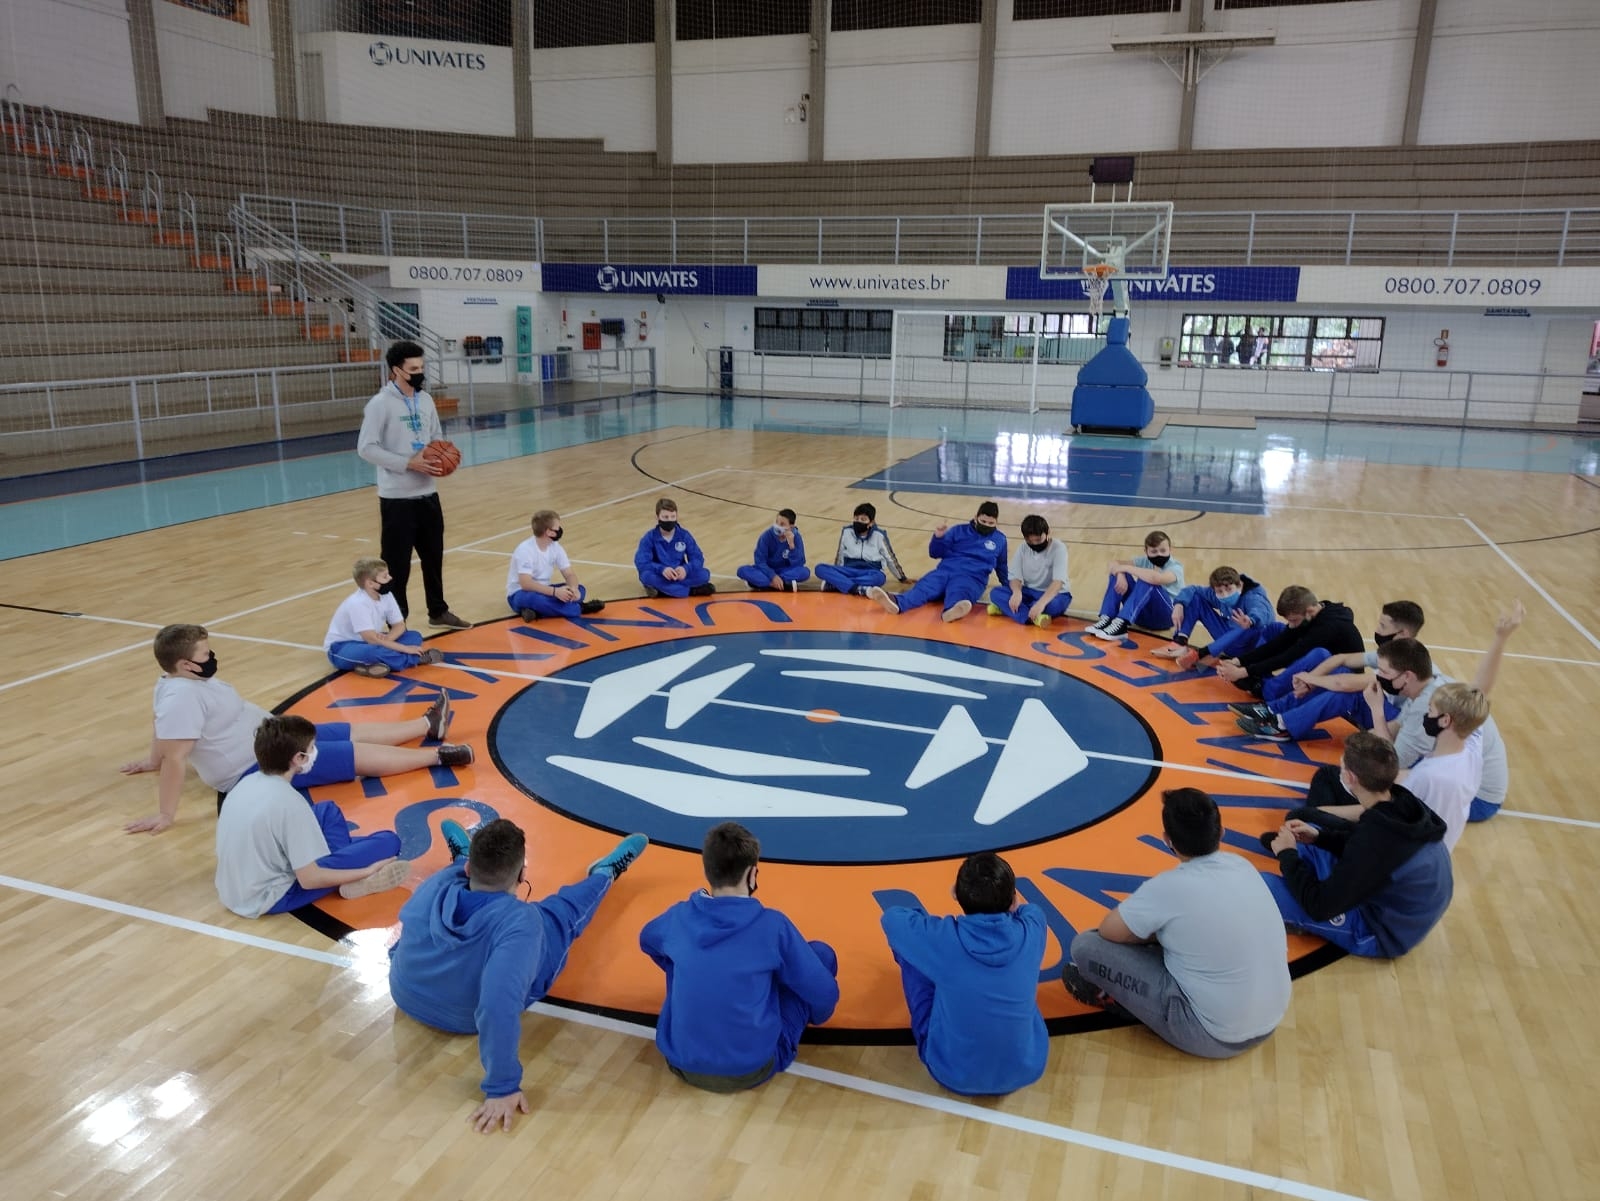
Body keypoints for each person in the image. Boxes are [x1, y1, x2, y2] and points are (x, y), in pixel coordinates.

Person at [389, 819, 648, 1134]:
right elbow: (497, 1006)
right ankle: (605, 873)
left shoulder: (435, 884)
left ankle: (463, 854)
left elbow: (404, 934)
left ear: (468, 870)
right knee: (559, 917)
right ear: (522, 876)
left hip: (403, 991)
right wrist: (502, 1086)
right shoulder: (522, 922)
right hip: (463, 1018)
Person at [120, 624, 472, 834]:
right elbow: (176, 756)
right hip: (256, 766)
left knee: (343, 731)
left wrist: (151, 760)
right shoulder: (181, 697)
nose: (211, 657)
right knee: (350, 754)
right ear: (185, 664)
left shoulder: (177, 681)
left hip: (272, 737)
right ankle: (439, 756)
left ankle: (426, 724)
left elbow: (160, 726)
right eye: (205, 653)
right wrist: (166, 813)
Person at [1063, 789, 1291, 1058]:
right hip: (1272, 1017)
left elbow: (1108, 931)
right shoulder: (1243, 866)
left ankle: (1123, 1001)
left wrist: (1152, 934)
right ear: (1221, 832)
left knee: (1086, 947)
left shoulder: (1169, 887)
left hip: (1212, 1035)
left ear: (1167, 840)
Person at [639, 822, 839, 1091]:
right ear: (753, 874)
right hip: (752, 1068)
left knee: (684, 965)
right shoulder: (773, 926)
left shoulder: (678, 917)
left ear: (707, 871)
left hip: (681, 1062)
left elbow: (648, 940)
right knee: (821, 955)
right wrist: (814, 1016)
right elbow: (824, 994)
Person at [1259, 732, 1452, 958]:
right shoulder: (1401, 803)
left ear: (1350, 777)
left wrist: (1287, 854)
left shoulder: (1377, 842)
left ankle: (1302, 917)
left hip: (1382, 932)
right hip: (1406, 909)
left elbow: (1319, 906)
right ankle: (1302, 855)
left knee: (1260, 886)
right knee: (1309, 837)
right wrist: (1319, 837)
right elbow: (1362, 844)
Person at [879, 852, 1048, 1095]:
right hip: (1026, 1069)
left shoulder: (944, 938)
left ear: (955, 894)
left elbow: (893, 919)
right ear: (1013, 900)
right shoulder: (1033, 927)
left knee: (912, 951)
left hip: (952, 1073)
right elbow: (1031, 910)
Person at [215, 715, 409, 918]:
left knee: (327, 811)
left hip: (233, 889)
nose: (315, 752)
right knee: (388, 841)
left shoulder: (245, 783)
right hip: (272, 895)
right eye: (312, 748)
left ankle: (341, 863)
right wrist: (367, 871)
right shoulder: (290, 804)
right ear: (298, 758)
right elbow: (309, 880)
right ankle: (351, 879)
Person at [1358, 603, 1520, 823]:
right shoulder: (1435, 692)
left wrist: (1376, 710)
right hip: (1464, 781)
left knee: (1378, 788)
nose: (1378, 677)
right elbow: (1480, 689)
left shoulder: (1435, 713)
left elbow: (1393, 766)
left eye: (1430, 711)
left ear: (1445, 719)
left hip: (1478, 801)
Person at [356, 339, 469, 630]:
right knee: (396, 566)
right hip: (396, 499)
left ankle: (438, 611)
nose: (420, 373)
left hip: (428, 494)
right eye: (413, 369)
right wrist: (408, 463)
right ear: (396, 370)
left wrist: (442, 455)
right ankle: (398, 621)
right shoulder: (379, 404)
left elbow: (436, 436)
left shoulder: (426, 399)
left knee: (434, 557)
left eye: (421, 367)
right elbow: (366, 448)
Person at [1230, 599, 1424, 742]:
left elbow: (1347, 683)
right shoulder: (1394, 651)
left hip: (1390, 727)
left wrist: (1311, 680)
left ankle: (1282, 726)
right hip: (1377, 707)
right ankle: (1272, 708)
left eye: (1382, 626)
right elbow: (1342, 658)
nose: (1377, 630)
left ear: (1403, 633)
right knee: (1321, 655)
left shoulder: (1410, 662)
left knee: (1351, 692)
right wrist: (1310, 678)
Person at [867, 501, 1008, 623]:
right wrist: (938, 537)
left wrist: (1009, 587)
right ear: (976, 517)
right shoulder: (958, 530)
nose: (986, 525)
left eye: (991, 523)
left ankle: (953, 610)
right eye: (983, 522)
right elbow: (935, 553)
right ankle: (897, 603)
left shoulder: (1000, 539)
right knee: (925, 586)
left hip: (973, 577)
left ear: (997, 523)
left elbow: (1002, 566)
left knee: (961, 591)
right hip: (945, 571)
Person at [1214, 586, 1364, 699]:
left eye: (1293, 620)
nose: (1291, 625)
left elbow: (1289, 656)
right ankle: (1257, 673)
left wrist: (1242, 673)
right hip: (1323, 660)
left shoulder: (1327, 628)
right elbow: (1279, 643)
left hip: (1341, 675)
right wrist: (1238, 661)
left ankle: (1265, 689)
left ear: (1310, 611)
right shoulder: (1317, 610)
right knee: (1275, 629)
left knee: (1314, 654)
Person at [324, 557, 443, 678]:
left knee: (414, 635)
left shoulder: (387, 595)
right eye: (385, 576)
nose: (390, 578)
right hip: (342, 647)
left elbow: (399, 625)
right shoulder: (358, 603)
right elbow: (372, 640)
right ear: (370, 583)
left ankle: (373, 666)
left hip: (375, 639)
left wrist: (388, 639)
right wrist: (405, 648)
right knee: (373, 652)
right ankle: (415, 659)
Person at [1150, 566, 1275, 665]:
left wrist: (1251, 619)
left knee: (1252, 628)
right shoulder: (1215, 594)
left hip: (1250, 646)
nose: (1225, 595)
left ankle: (1208, 654)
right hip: (1229, 642)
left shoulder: (1253, 597)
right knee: (1196, 598)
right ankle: (1180, 642)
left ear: (1239, 586)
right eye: (1220, 591)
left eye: (1229, 589)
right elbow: (1193, 589)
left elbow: (1262, 611)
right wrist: (1179, 604)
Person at [1085, 530, 1184, 641]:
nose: (1159, 554)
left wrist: (1125, 568)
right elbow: (1113, 564)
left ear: (1170, 549)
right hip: (1140, 617)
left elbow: (1156, 578)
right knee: (1117, 574)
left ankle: (1122, 623)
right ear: (1146, 551)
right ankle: (1107, 618)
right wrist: (1120, 574)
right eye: (1154, 551)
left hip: (1166, 617)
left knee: (1147, 579)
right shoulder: (1145, 561)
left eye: (1163, 550)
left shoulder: (1176, 567)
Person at [506, 509, 605, 621]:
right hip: (520, 593)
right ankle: (579, 608)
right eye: (557, 527)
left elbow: (569, 574)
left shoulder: (555, 547)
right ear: (549, 532)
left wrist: (574, 589)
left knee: (581, 589)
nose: (559, 530)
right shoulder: (525, 550)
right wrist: (555, 592)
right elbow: (526, 584)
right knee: (535, 600)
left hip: (545, 590)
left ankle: (536, 611)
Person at [988, 514, 1070, 628]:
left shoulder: (1058, 548)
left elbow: (1058, 582)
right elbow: (1015, 577)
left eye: (1038, 540)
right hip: (1028, 591)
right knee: (995, 592)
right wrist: (1017, 592)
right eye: (1030, 541)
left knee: (1053, 605)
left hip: (1056, 594)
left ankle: (1009, 610)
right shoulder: (1023, 548)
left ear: (1048, 532)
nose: (1035, 544)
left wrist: (1041, 603)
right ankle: (1034, 617)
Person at [814, 502, 909, 597]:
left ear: (871, 523)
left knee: (880, 578)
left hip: (870, 571)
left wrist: (902, 578)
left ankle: (839, 584)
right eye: (856, 518)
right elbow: (840, 555)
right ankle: (857, 588)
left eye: (863, 519)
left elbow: (890, 558)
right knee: (820, 568)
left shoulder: (879, 535)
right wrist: (837, 572)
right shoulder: (846, 532)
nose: (858, 521)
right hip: (849, 569)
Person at [634, 497, 715, 598]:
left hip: (680, 575)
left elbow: (698, 558)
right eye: (665, 517)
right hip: (660, 575)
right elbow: (641, 562)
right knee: (646, 576)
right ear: (657, 517)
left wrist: (685, 569)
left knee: (704, 574)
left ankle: (663, 591)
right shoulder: (649, 537)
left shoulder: (684, 535)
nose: (670, 520)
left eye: (673, 517)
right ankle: (691, 591)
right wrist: (662, 569)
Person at [736, 508, 810, 592]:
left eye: (782, 524)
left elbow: (799, 563)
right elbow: (760, 561)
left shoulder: (796, 537)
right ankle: (782, 584)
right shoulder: (766, 535)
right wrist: (773, 576)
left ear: (791, 527)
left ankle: (762, 583)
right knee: (742, 570)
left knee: (805, 572)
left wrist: (792, 546)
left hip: (784, 571)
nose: (778, 526)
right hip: (767, 570)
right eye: (777, 522)